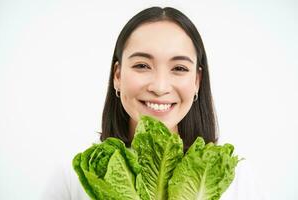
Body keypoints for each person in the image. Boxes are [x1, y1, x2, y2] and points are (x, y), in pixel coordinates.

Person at [42, 6, 265, 200]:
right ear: (117, 75)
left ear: (197, 81)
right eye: (142, 65)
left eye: (179, 68)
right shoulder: (74, 177)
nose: (159, 86)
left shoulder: (233, 177)